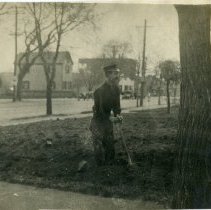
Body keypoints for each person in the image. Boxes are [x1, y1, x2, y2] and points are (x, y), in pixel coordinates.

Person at [89, 64, 123, 166]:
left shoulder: (116, 89)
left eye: (118, 73)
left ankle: (109, 169)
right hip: (98, 122)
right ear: (108, 75)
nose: (118, 76)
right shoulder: (99, 91)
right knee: (99, 153)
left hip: (108, 122)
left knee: (110, 150)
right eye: (115, 73)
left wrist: (118, 115)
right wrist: (110, 118)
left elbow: (117, 106)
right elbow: (99, 111)